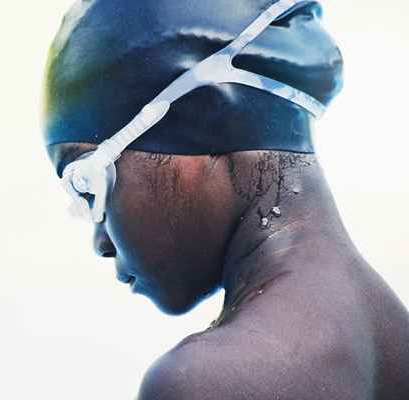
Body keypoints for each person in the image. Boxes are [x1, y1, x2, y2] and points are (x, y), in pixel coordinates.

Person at [42, 0, 409, 398]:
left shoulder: (206, 380)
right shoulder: (396, 338)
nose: (101, 243)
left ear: (206, 118)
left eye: (88, 184)